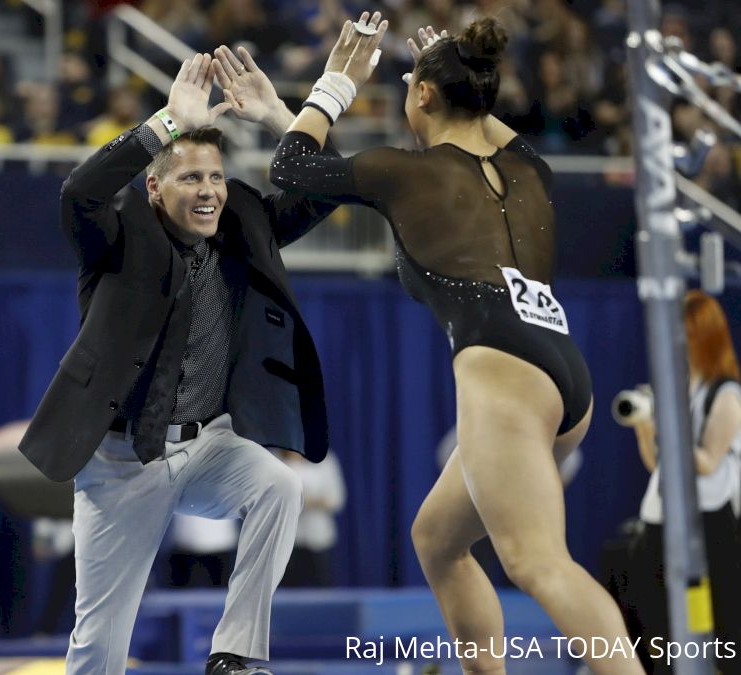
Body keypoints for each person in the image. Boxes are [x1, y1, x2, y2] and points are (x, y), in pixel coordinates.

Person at [266, 14, 643, 674]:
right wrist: (450, 72)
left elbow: (291, 165)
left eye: (415, 86)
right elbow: (482, 121)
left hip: (504, 375)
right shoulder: (531, 170)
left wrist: (333, 86)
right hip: (562, 372)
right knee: (438, 538)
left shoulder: (403, 174)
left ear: (422, 96)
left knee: (538, 562)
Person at [19, 48, 343, 675]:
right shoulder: (115, 236)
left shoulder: (243, 223)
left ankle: (235, 655)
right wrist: (165, 124)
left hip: (208, 446)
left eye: (216, 177)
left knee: (278, 486)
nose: (209, 191)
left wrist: (287, 117)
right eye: (190, 178)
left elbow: (325, 191)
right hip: (123, 461)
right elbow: (78, 193)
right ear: (154, 185)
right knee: (100, 644)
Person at [626, 290, 741, 673]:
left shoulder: (726, 395)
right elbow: (660, 466)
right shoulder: (677, 388)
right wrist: (646, 429)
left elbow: (706, 461)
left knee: (718, 621)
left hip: (709, 526)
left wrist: (668, 432)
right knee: (655, 618)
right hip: (663, 518)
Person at [278, 449, 344, 587]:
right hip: (286, 541)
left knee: (323, 586)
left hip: (318, 538)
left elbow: (336, 500)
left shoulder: (325, 461)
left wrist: (304, 501)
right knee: (288, 591)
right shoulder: (275, 461)